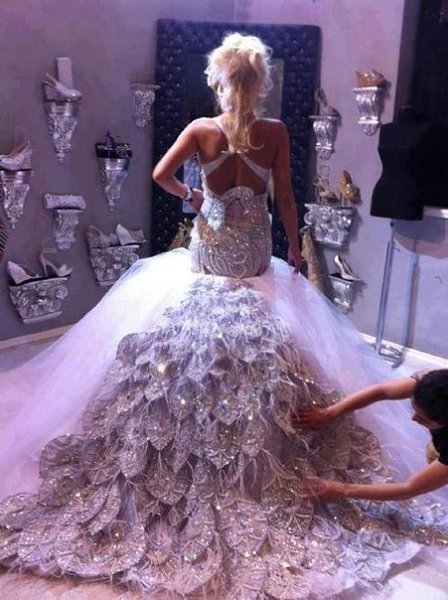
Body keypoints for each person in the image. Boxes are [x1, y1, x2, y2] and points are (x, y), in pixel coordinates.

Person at [0, 33, 447, 599]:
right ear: (260, 84)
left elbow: (161, 175)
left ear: (219, 81)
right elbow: (285, 196)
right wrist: (293, 247)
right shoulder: (275, 132)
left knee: (181, 339)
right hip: (253, 251)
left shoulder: (200, 131)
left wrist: (193, 199)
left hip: (210, 251)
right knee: (275, 338)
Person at [300, 370, 448, 502]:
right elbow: (382, 391)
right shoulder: (433, 384)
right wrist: (328, 413)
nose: (413, 418)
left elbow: (409, 489)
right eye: (413, 407)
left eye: (423, 420)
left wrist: (342, 490)